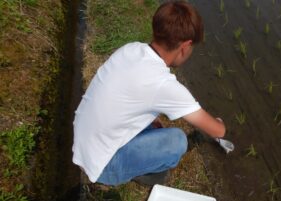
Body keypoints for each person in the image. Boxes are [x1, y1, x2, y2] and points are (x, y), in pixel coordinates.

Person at [72, 1, 225, 186]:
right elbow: (217, 131)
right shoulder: (163, 84)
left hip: (83, 139)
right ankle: (142, 175)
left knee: (155, 124)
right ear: (186, 46)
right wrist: (219, 124)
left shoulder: (130, 49)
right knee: (177, 141)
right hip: (102, 166)